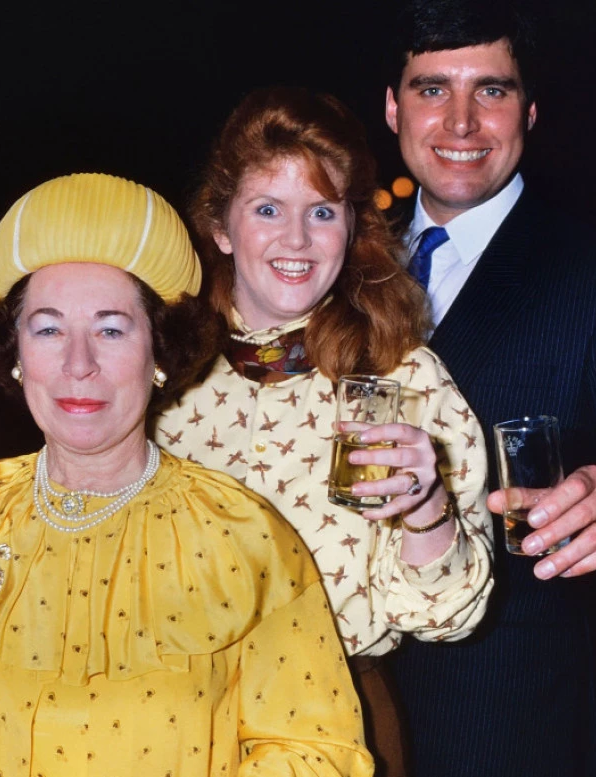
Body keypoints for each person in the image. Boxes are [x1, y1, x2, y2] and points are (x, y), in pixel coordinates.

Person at [0, 173, 375, 776]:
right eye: (48, 328)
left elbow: (320, 755)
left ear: (159, 350)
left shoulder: (243, 533)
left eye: (110, 328)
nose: (78, 364)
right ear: (16, 353)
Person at [155, 87, 493, 776]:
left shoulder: (406, 376)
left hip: (340, 716)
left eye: (322, 211)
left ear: (351, 227)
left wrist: (425, 506)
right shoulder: (160, 374)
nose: (297, 239)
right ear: (220, 227)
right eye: (267, 209)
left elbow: (448, 617)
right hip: (171, 719)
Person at [382, 2, 596, 775]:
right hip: (328, 707)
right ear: (393, 108)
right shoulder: (336, 262)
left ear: (528, 111)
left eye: (491, 91)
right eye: (432, 89)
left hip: (503, 727)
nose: (460, 122)